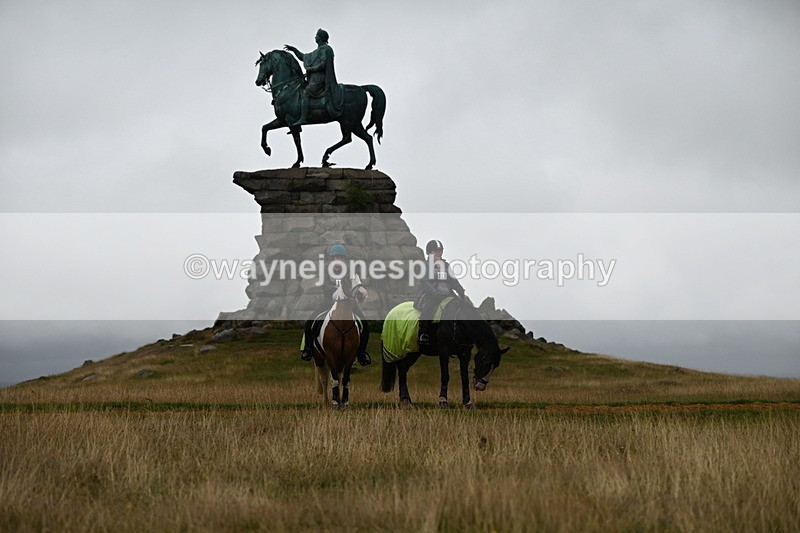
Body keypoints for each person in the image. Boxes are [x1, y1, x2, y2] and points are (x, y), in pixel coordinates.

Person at [300, 244, 371, 366]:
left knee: (365, 325)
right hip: (329, 301)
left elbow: (356, 285)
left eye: (342, 258)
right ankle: (307, 349)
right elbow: (326, 289)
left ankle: (361, 353)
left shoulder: (350, 271)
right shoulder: (325, 271)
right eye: (337, 257)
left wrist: (359, 292)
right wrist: (340, 290)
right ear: (332, 258)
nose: (339, 260)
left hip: (349, 303)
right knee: (310, 321)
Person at [283, 28, 342, 126]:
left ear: (321, 38)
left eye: (317, 35)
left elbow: (323, 64)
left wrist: (311, 69)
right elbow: (303, 57)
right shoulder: (316, 51)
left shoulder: (326, 49)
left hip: (320, 79)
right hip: (314, 79)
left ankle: (303, 118)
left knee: (306, 93)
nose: (315, 37)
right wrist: (294, 50)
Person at [414, 239, 466, 346]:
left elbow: (453, 281)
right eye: (436, 251)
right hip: (430, 294)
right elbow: (425, 282)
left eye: (440, 251)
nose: (439, 253)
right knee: (428, 308)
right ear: (429, 253)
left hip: (447, 294)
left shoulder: (446, 266)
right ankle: (423, 334)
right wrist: (435, 294)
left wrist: (460, 290)